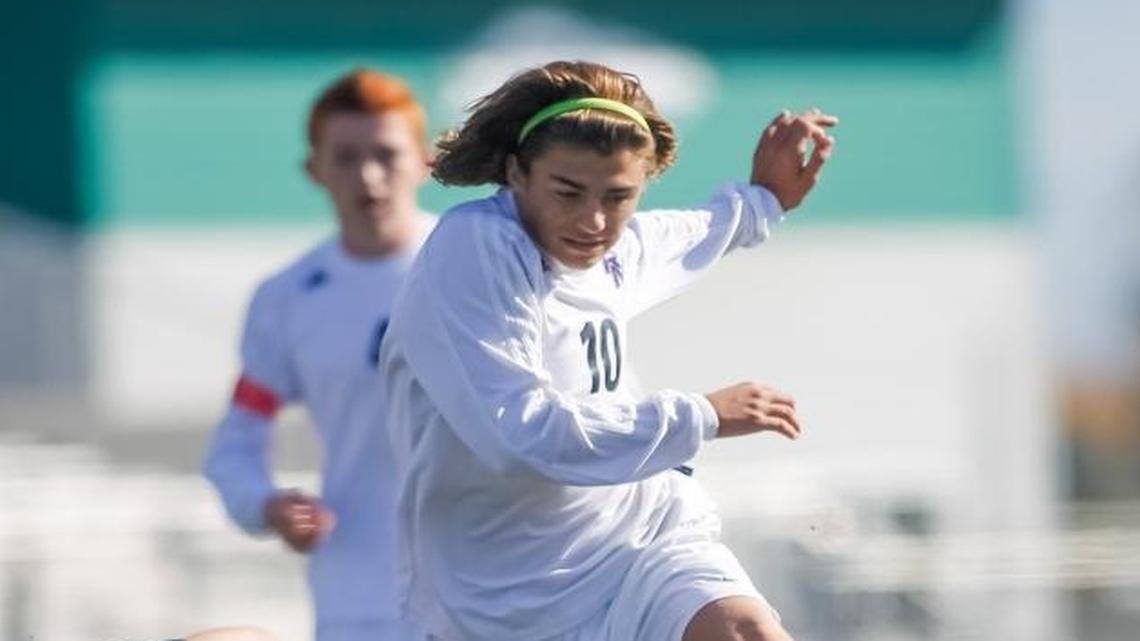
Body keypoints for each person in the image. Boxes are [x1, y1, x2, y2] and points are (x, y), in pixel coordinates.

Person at [380, 60, 837, 641]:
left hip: (642, 543)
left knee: (744, 630)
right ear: (517, 173)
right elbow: (519, 436)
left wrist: (765, 199)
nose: (593, 221)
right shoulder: (477, 247)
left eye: (619, 197)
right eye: (568, 192)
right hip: (500, 597)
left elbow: (691, 233)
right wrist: (700, 414)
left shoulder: (614, 249)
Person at [203, 68, 435, 641]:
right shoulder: (288, 296)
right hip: (362, 592)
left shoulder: (481, 265)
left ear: (425, 161)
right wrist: (266, 504)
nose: (369, 177)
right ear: (314, 170)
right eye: (346, 157)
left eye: (386, 154)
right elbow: (234, 445)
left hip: (497, 581)